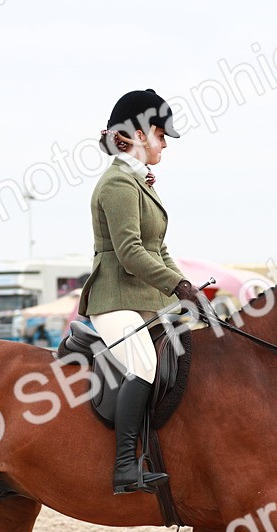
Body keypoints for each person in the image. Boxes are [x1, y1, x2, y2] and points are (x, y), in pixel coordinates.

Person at [77, 88, 208, 495]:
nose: (165, 143)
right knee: (145, 365)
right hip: (114, 300)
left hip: (147, 301)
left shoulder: (140, 184)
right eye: (160, 133)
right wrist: (177, 285)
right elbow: (131, 253)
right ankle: (123, 468)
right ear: (135, 134)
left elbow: (159, 249)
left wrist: (187, 291)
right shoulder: (117, 184)